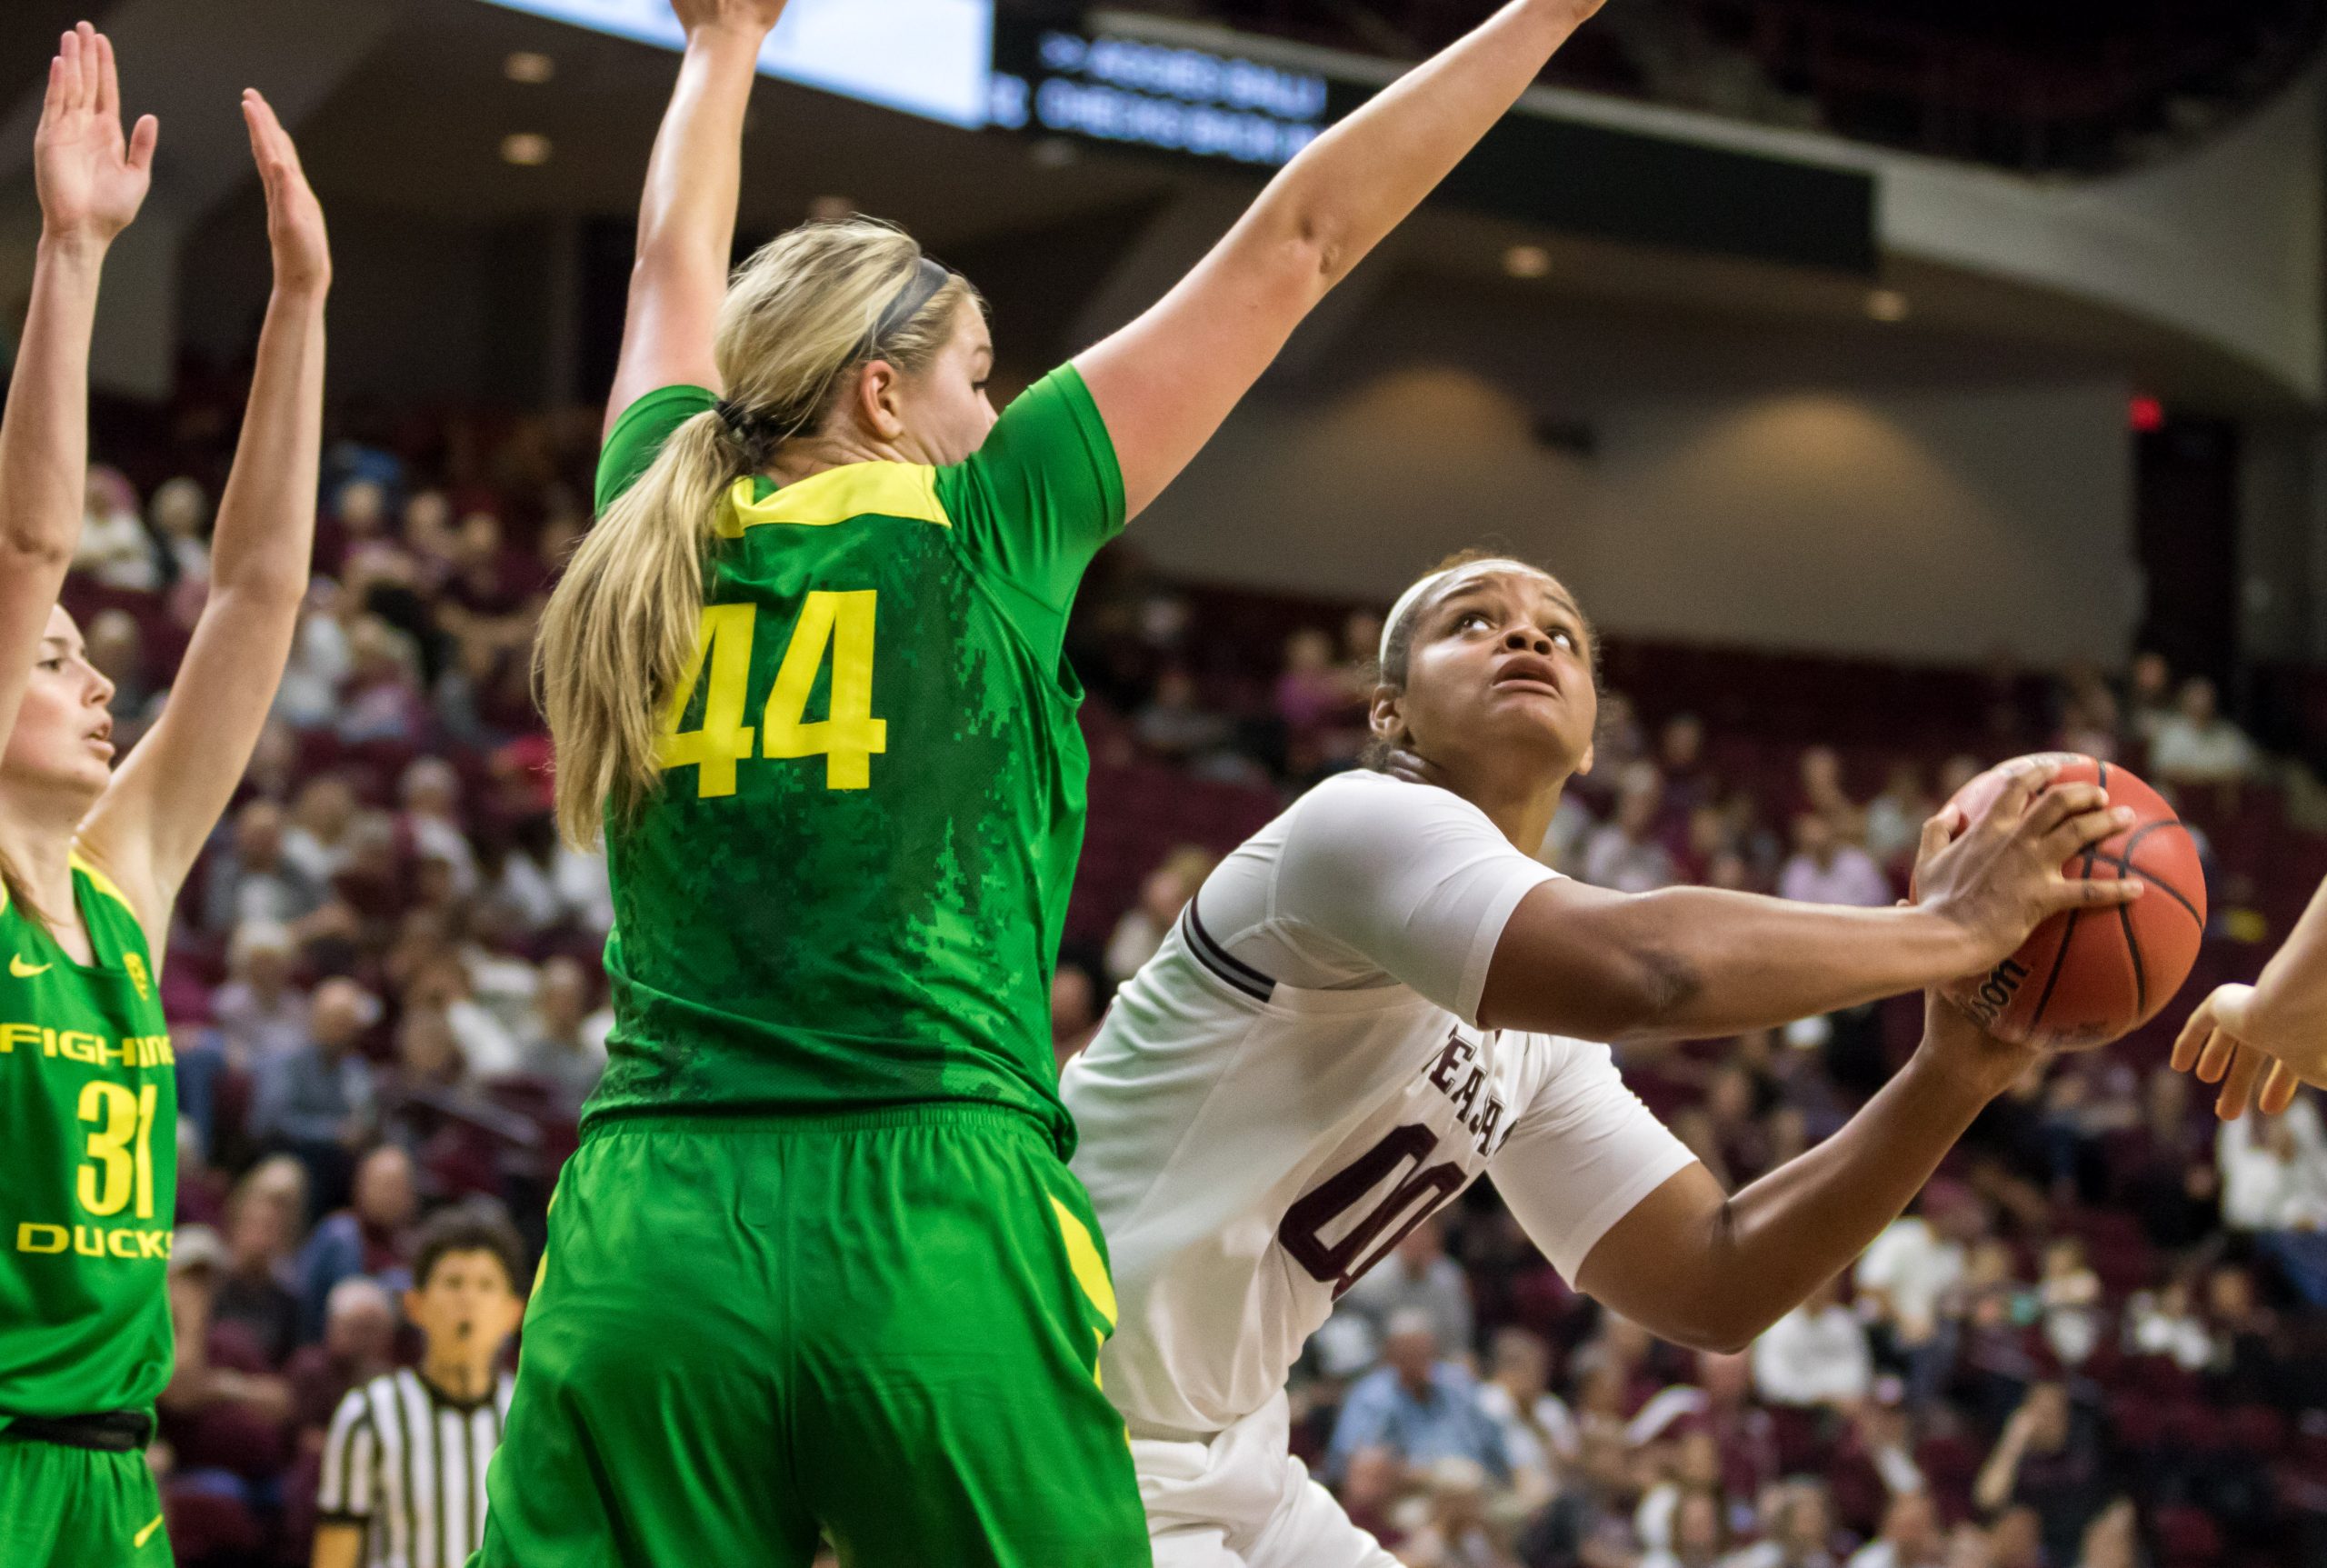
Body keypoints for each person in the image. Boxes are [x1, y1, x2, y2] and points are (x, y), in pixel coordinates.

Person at [488, 0, 1697, 1558]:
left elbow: (667, 274)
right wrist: (1542, 13)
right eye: (978, 376)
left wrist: (718, 50)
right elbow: (1305, 235)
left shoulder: (651, 510)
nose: (993, 409)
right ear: (880, 398)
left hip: (649, 1220)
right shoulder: (986, 525)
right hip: (927, 1211)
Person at [1062, 552, 2142, 1568]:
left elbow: (1714, 1280)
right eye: (1471, 622)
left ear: (1588, 741)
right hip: (1054, 1397)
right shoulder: (1354, 826)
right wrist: (1949, 933)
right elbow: (1649, 970)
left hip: (1224, 1448)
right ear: (1388, 711)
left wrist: (1949, 1076)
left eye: (1559, 636)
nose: (1523, 637)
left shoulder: (1535, 1034)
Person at [0, 41, 329, 1568]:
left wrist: (302, 314)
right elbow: (26, 541)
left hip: (114, 1474)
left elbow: (259, 593)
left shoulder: (119, 878)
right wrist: (73, 258)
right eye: (54, 659)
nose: (93, 682)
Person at [314, 1207, 528, 1568]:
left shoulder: (529, 1420)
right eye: (453, 1282)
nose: (468, 1300)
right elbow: (334, 1557)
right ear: (415, 1305)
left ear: (513, 1312)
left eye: (486, 1285)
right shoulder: (367, 1414)